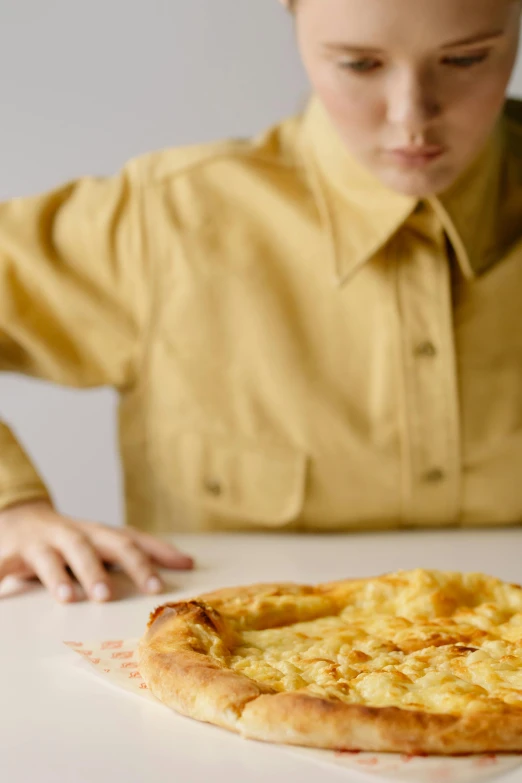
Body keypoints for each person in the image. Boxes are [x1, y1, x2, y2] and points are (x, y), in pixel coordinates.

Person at [0, 0, 521, 604]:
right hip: (219, 672)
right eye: (358, 64)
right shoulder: (168, 221)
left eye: (465, 58)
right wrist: (12, 507)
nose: (412, 116)